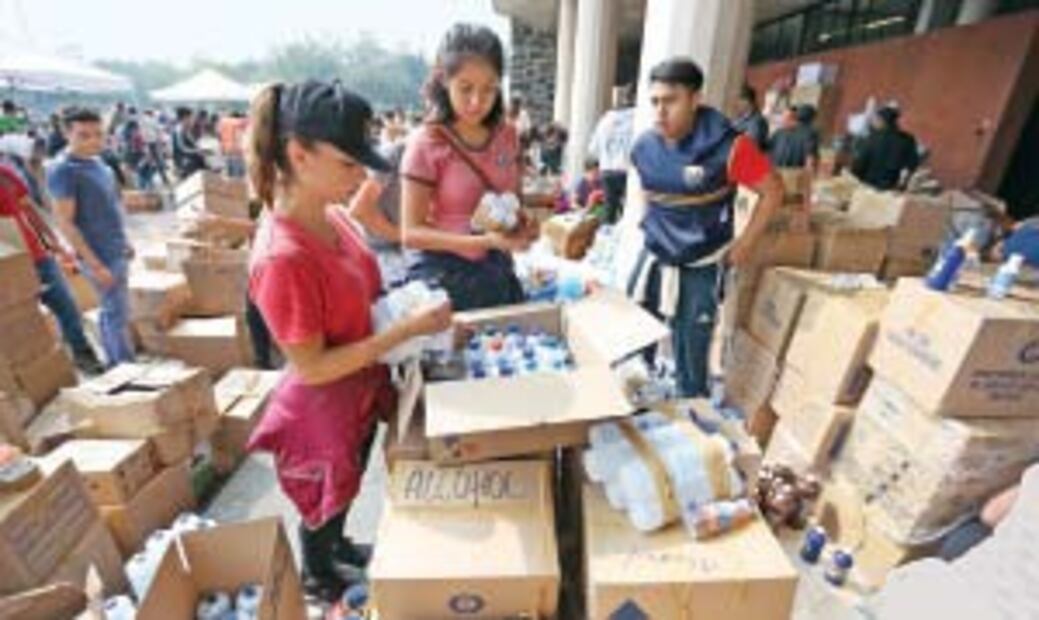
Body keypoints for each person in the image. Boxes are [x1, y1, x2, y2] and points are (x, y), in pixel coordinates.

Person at [244, 80, 451, 601]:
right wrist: (406, 331)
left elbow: (365, 297)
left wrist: (417, 317)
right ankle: (319, 574)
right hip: (320, 409)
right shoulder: (283, 257)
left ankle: (337, 549)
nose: (359, 176)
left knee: (347, 486)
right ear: (298, 154)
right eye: (348, 164)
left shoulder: (332, 215)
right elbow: (312, 367)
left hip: (357, 391)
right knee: (324, 499)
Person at [627, 58, 783, 398]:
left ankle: (691, 404)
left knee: (691, 342)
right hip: (656, 252)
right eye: (655, 101)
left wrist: (744, 244)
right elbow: (647, 188)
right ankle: (638, 389)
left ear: (695, 99)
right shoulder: (643, 146)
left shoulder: (730, 147)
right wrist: (647, 220)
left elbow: (773, 191)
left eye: (671, 101)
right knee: (636, 326)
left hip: (701, 260)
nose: (660, 111)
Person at [401, 23, 537, 311]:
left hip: (498, 274)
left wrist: (523, 226)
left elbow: (512, 203)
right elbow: (410, 233)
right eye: (465, 89)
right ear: (444, 80)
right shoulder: (427, 142)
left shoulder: (507, 136)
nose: (477, 102)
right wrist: (484, 242)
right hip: (446, 279)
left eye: (489, 89)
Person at [47, 108, 135, 367]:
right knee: (114, 313)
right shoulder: (64, 170)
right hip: (97, 253)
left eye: (98, 134)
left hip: (115, 248)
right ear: (67, 134)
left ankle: (120, 364)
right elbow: (65, 221)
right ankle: (123, 367)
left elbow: (110, 206)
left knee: (117, 311)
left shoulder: (100, 164)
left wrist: (124, 240)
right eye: (83, 135)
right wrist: (94, 264)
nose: (93, 141)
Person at [1, 160, 104, 374]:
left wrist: (52, 240)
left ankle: (81, 352)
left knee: (66, 305)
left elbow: (29, 209)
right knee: (22, 322)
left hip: (37, 256)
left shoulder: (5, 175)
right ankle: (42, 370)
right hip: (7, 268)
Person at [348, 139, 408, 285]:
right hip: (387, 250)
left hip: (415, 246)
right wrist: (400, 235)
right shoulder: (397, 154)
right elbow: (359, 210)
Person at [588, 85, 635, 224]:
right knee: (630, 210)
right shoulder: (638, 118)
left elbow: (593, 149)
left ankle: (607, 232)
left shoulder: (605, 121)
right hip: (628, 169)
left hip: (607, 170)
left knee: (610, 209)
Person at [851, 105, 920, 191]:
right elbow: (912, 165)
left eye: (876, 120)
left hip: (867, 188)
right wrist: (903, 185)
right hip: (891, 190)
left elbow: (859, 164)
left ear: (882, 121)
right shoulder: (907, 140)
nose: (874, 123)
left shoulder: (872, 139)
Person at [769, 104, 819, 171]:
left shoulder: (779, 132)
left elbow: (768, 152)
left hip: (776, 171)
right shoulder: (810, 133)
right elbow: (810, 159)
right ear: (812, 119)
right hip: (796, 173)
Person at [732, 84, 769, 150]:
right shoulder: (739, 118)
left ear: (747, 102)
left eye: (738, 101)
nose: (735, 104)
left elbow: (749, 146)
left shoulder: (757, 122)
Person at [172, 107, 207, 179]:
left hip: (189, 156)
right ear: (185, 118)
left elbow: (193, 142)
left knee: (202, 160)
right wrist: (196, 151)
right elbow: (182, 148)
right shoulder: (178, 130)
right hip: (182, 158)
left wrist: (200, 149)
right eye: (190, 118)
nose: (191, 120)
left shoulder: (186, 129)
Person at [217, 110, 249, 178]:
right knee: (238, 175)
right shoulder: (241, 123)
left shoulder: (223, 123)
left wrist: (221, 149)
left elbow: (219, 137)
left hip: (227, 151)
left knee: (228, 174)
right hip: (238, 152)